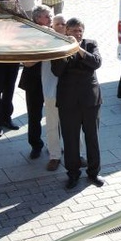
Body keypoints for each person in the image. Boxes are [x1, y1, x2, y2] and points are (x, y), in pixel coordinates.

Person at [51, 18, 103, 190]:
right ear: (67, 32)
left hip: (90, 100)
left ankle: (94, 172)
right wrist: (68, 49)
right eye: (74, 31)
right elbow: (57, 71)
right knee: (70, 139)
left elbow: (96, 63)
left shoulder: (90, 44)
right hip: (68, 101)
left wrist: (78, 49)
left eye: (80, 30)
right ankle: (73, 174)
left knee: (92, 137)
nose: (78, 34)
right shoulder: (59, 46)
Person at [18, 5, 51, 160]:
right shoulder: (29, 34)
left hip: (52, 79)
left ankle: (54, 145)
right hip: (34, 81)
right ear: (37, 19)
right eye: (47, 16)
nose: (50, 19)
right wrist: (46, 51)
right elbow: (26, 62)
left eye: (50, 16)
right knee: (34, 115)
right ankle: (36, 145)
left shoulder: (54, 32)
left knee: (54, 115)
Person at [42, 14, 67, 171]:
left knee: (74, 125)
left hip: (70, 92)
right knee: (52, 124)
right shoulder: (45, 42)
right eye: (58, 24)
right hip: (51, 90)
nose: (62, 26)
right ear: (52, 26)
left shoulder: (71, 42)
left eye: (64, 24)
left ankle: (79, 154)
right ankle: (54, 156)